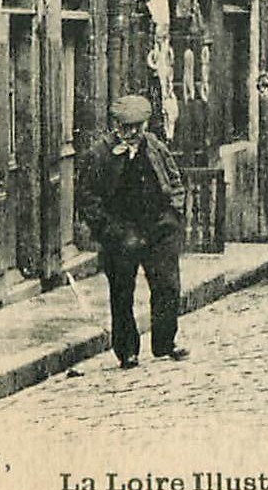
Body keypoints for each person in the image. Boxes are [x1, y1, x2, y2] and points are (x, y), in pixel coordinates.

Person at [78, 95, 189, 370]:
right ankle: (127, 351)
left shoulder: (154, 147)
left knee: (167, 285)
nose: (131, 134)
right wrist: (110, 230)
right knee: (122, 291)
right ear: (115, 125)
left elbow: (175, 181)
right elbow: (88, 200)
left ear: (145, 125)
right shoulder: (99, 154)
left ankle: (164, 342)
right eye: (125, 127)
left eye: (137, 128)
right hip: (121, 233)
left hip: (157, 227)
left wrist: (174, 214)